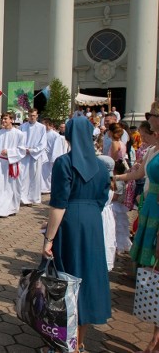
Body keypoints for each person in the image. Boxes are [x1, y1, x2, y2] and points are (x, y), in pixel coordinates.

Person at [42, 116, 111, 353]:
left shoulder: (64, 162)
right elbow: (102, 199)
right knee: (88, 280)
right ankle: (79, 342)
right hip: (93, 223)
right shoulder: (102, 166)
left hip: (71, 224)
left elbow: (58, 204)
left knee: (65, 282)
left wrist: (49, 238)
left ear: (68, 136)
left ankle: (62, 344)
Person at [116, 103, 159, 353]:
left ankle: (155, 338)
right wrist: (115, 178)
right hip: (150, 208)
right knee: (152, 270)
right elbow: (140, 173)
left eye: (151, 116)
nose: (148, 120)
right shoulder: (153, 149)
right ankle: (155, 334)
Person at [0, 112, 26, 218]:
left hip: (12, 164)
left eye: (5, 119)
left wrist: (9, 152)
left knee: (12, 188)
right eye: (2, 119)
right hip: (0, 164)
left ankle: (11, 208)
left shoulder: (19, 134)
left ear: (11, 120)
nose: (3, 121)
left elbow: (22, 150)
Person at [19, 108, 47, 206]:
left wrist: (32, 150)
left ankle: (33, 197)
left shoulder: (42, 127)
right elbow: (19, 140)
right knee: (23, 176)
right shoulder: (23, 127)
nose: (32, 117)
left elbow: (43, 143)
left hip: (35, 155)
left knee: (35, 176)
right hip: (24, 155)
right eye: (30, 115)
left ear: (37, 115)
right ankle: (23, 197)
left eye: (34, 115)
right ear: (28, 115)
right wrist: (24, 149)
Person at [41, 118, 66, 195]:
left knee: (49, 173)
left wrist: (54, 158)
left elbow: (57, 147)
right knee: (42, 173)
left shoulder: (55, 135)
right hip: (43, 156)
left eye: (44, 124)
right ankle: (42, 187)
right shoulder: (42, 133)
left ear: (48, 125)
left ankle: (49, 188)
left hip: (50, 156)